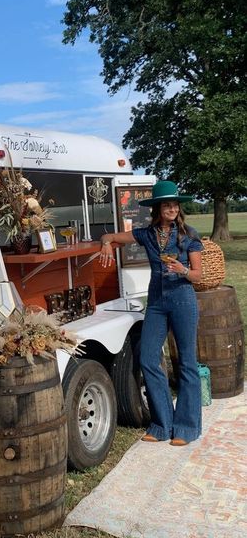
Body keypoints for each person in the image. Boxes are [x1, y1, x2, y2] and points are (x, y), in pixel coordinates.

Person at [99, 180, 204, 446]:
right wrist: (105, 243)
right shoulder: (146, 234)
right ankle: (162, 423)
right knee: (147, 359)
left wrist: (183, 271)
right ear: (157, 208)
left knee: (187, 363)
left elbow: (198, 276)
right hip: (156, 302)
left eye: (174, 204)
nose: (171, 208)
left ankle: (187, 427)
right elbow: (110, 237)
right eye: (166, 204)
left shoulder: (189, 235)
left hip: (183, 299)